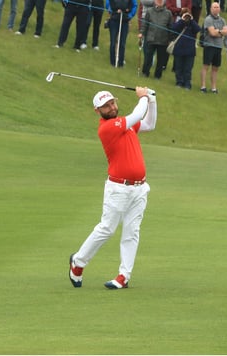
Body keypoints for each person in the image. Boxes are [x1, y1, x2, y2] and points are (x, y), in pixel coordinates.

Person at [68, 86, 158, 290]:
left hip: (139, 188)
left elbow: (150, 124)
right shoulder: (108, 128)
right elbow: (136, 114)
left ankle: (123, 277)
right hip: (118, 189)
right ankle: (78, 263)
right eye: (106, 106)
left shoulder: (126, 125)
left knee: (132, 232)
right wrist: (143, 97)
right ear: (97, 111)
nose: (111, 107)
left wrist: (152, 101)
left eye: (112, 103)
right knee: (106, 229)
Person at [138, 0, 173, 79]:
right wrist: (142, 33)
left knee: (160, 60)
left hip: (163, 40)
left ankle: (158, 75)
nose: (159, 3)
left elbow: (170, 27)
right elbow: (145, 24)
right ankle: (145, 72)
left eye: (161, 1)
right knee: (148, 57)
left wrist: (170, 39)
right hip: (151, 38)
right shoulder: (149, 11)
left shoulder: (168, 13)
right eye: (158, 1)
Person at [199, 1, 227, 94]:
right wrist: (221, 32)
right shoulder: (208, 19)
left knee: (215, 68)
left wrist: (218, 32)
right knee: (206, 66)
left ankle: (213, 87)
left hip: (218, 46)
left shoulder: (222, 20)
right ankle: (203, 85)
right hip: (209, 45)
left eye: (217, 7)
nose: (216, 9)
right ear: (211, 9)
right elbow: (212, 33)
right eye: (214, 7)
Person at [171, 8, 200, 89]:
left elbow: (198, 29)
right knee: (179, 68)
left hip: (190, 50)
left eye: (188, 14)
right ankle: (179, 82)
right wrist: (182, 20)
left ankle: (187, 84)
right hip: (179, 48)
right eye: (185, 15)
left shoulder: (192, 24)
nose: (187, 17)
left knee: (188, 69)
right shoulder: (179, 23)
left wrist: (192, 20)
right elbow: (173, 28)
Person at [106, 0, 138, 68]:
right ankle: (112, 62)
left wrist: (129, 15)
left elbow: (134, 5)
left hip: (125, 21)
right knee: (113, 43)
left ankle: (121, 63)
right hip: (114, 20)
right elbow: (108, 3)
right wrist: (113, 12)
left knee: (122, 43)